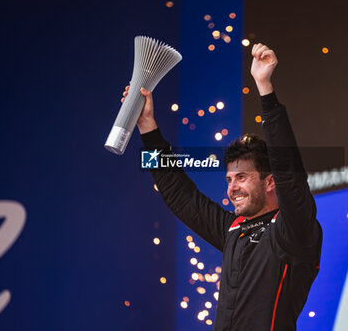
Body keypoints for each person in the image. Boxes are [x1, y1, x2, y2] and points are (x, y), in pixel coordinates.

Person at [121, 44, 322, 331]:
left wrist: (265, 88)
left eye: (241, 177)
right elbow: (179, 194)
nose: (232, 188)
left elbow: (290, 171)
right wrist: (148, 128)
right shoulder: (233, 230)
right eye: (228, 180)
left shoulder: (293, 229)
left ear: (270, 181)